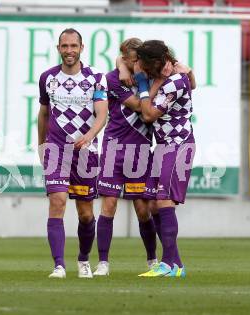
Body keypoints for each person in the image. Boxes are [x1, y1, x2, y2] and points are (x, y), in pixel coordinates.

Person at [37, 28, 108, 278]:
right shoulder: (47, 77)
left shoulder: (96, 78)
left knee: (86, 214)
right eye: (64, 46)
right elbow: (44, 113)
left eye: (73, 46)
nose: (69, 50)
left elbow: (102, 113)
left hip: (86, 153)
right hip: (57, 150)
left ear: (81, 48)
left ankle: (84, 259)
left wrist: (89, 135)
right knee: (57, 202)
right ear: (58, 49)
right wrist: (41, 145)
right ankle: (58, 265)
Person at [94, 38, 162, 276]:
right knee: (109, 205)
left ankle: (152, 259)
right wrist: (124, 69)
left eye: (139, 61)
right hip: (114, 149)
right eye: (132, 61)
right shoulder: (113, 78)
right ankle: (103, 262)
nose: (137, 65)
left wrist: (142, 77)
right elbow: (138, 107)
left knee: (143, 210)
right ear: (123, 58)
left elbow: (151, 113)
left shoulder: (150, 76)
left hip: (141, 151)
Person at [134, 40, 196, 277]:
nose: (141, 68)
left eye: (144, 64)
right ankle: (176, 264)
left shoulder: (175, 82)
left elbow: (148, 114)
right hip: (163, 146)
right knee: (152, 204)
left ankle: (169, 265)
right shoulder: (168, 77)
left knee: (163, 200)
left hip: (178, 145)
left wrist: (143, 84)